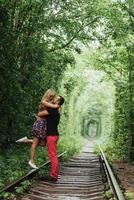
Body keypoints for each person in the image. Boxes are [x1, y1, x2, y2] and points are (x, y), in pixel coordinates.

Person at [16, 89, 60, 169]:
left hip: (44, 125)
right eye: (51, 96)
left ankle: (26, 140)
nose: (52, 98)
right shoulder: (44, 102)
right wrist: (56, 106)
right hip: (40, 124)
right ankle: (31, 160)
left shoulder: (49, 103)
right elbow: (49, 109)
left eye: (53, 97)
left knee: (43, 144)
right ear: (48, 94)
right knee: (35, 143)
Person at [38, 95, 65, 182]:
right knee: (52, 154)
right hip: (53, 135)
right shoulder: (55, 110)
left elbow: (39, 114)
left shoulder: (53, 110)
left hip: (51, 136)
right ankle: (54, 174)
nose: (54, 98)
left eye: (56, 98)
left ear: (58, 102)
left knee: (53, 155)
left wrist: (48, 104)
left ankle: (54, 176)